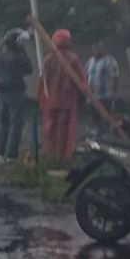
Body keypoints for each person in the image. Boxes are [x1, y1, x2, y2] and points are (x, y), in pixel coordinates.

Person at [37, 29, 86, 161]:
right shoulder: (73, 59)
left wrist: (41, 99)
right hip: (68, 101)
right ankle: (63, 157)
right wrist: (83, 96)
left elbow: (42, 82)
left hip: (49, 101)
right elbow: (81, 81)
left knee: (50, 129)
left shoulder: (48, 59)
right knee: (65, 130)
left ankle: (51, 156)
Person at [0, 30, 34, 161]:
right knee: (16, 123)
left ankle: (0, 151)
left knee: (4, 124)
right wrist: (23, 51)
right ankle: (11, 153)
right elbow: (29, 69)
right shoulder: (18, 56)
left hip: (2, 92)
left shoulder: (0, 57)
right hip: (15, 92)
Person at [84, 41, 119, 129]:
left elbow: (115, 77)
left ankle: (108, 134)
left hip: (105, 96)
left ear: (103, 49)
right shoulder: (89, 61)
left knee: (106, 117)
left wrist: (114, 93)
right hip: (92, 96)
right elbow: (85, 76)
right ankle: (100, 133)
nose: (97, 51)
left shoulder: (110, 61)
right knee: (94, 116)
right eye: (95, 49)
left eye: (99, 48)